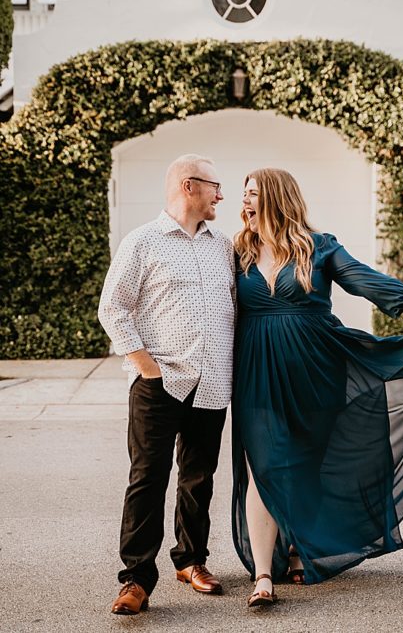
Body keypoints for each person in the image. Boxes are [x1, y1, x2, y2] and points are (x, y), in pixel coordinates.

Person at [230, 167, 403, 608]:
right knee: (263, 467)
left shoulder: (319, 246)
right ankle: (263, 574)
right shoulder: (238, 252)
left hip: (317, 369)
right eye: (244, 194)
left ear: (275, 197)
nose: (245, 201)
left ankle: (300, 549)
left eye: (253, 193)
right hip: (258, 373)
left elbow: (365, 279)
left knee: (307, 464)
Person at [98, 154, 235, 615]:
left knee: (199, 478)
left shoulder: (223, 246)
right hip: (159, 383)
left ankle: (191, 560)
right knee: (147, 479)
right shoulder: (142, 242)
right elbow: (112, 307)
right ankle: (136, 579)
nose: (221, 196)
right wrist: (145, 365)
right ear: (188, 185)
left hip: (212, 382)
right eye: (215, 186)